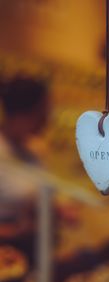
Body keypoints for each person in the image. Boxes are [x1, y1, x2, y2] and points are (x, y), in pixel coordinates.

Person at [0, 75, 50, 263]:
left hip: (31, 248)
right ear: (22, 113)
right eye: (42, 112)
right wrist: (16, 231)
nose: (46, 120)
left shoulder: (33, 150)